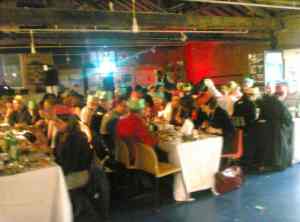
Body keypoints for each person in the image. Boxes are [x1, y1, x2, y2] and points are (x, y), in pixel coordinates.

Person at [253, 85, 294, 171]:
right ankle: (278, 164)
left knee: (269, 148)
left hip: (268, 127)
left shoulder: (266, 101)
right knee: (279, 148)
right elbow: (288, 118)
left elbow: (261, 115)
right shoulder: (279, 103)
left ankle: (267, 164)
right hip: (279, 129)